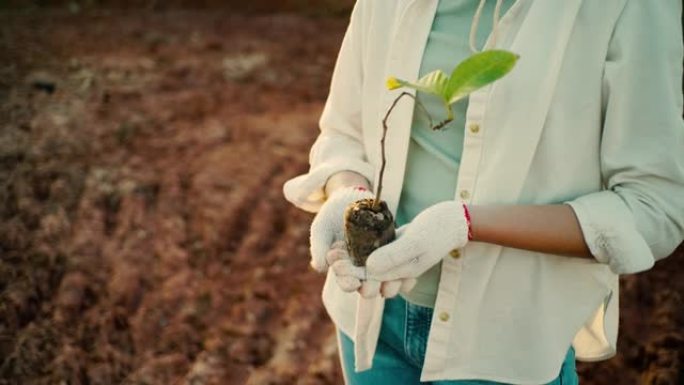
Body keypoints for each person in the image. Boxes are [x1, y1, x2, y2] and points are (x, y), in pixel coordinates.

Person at [282, 0, 684, 384]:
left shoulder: (628, 7)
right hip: (370, 321)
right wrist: (347, 191)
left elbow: (652, 207)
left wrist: (463, 224)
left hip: (500, 346)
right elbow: (344, 132)